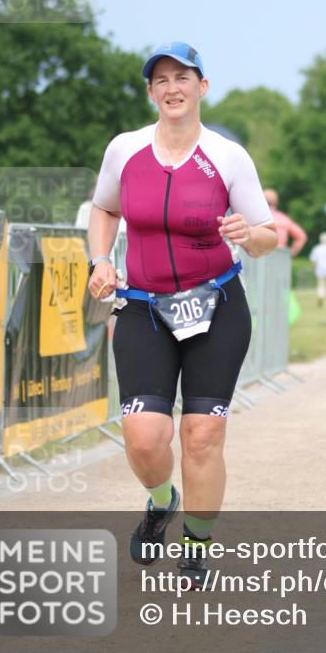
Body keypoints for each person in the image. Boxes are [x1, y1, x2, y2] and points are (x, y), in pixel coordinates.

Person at [87, 41, 277, 584]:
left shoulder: (227, 156)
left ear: (202, 87)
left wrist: (249, 234)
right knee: (145, 437)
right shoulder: (125, 150)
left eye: (183, 78)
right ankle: (161, 499)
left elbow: (267, 236)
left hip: (216, 306)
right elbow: (104, 208)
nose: (173, 88)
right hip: (144, 309)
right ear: (151, 92)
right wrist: (100, 259)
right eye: (161, 80)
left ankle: (195, 543)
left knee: (201, 434)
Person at [262, 188, 307, 257]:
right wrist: (290, 255)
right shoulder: (284, 219)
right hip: (280, 256)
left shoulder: (254, 217)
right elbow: (301, 237)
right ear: (276, 203)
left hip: (259, 256)